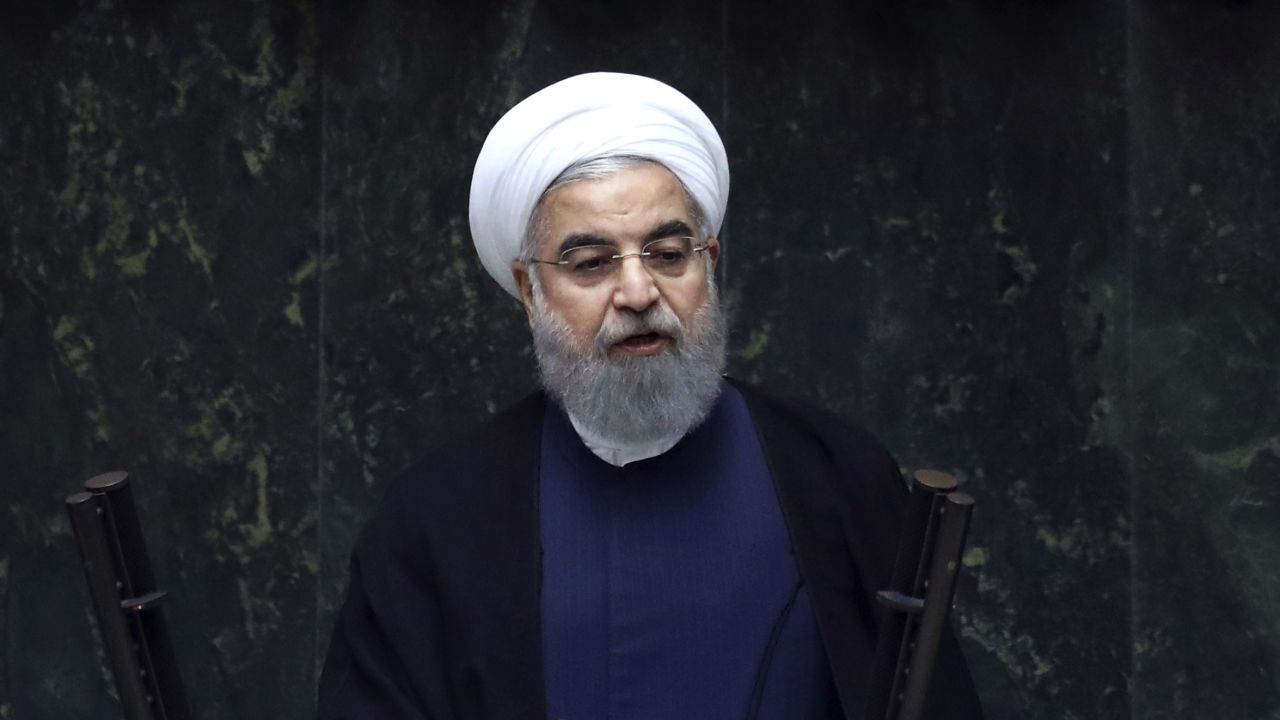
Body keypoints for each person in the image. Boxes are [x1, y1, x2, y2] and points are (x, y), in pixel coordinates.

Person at [318, 72, 983, 720]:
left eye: (667, 254)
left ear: (709, 262)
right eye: (591, 263)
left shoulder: (837, 478)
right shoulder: (437, 518)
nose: (638, 294)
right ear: (529, 290)